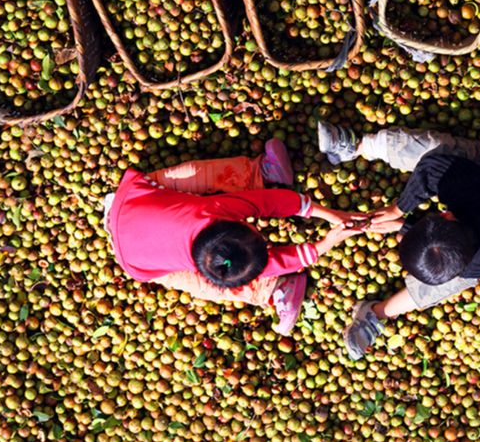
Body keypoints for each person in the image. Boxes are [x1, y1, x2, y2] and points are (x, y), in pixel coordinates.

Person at [317, 122, 480, 360]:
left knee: (447, 283)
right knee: (438, 153)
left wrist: (402, 217)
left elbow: (432, 168)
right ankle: (358, 146)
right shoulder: (474, 194)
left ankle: (376, 314)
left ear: (446, 213)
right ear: (445, 216)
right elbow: (432, 169)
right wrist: (398, 212)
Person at [104, 138, 364, 336]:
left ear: (233, 225)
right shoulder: (206, 232)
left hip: (130, 200)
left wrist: (330, 215)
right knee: (206, 288)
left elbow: (265, 203)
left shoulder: (211, 210)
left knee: (198, 173)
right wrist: (325, 243)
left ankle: (260, 172)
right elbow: (269, 263)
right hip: (135, 261)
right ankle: (270, 291)